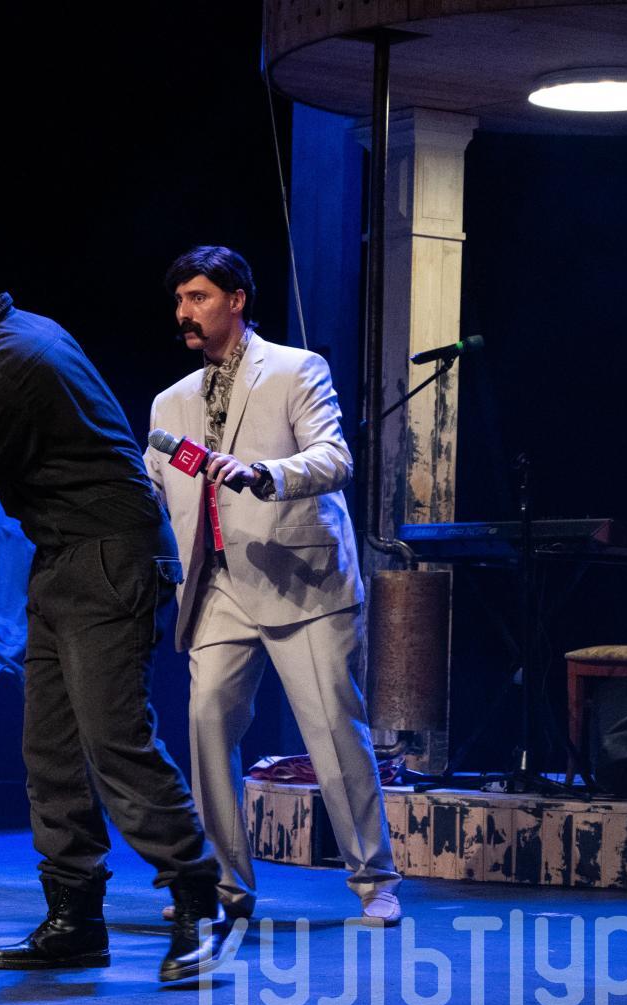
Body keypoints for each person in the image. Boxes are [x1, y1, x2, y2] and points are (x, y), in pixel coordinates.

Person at [0, 238, 225, 983]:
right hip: (63, 556)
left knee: (114, 739)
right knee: (48, 749)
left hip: (109, 556)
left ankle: (199, 901)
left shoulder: (11, 358)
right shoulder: (10, 343)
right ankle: (74, 920)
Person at [145, 245, 400, 926]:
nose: (184, 312)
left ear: (236, 300)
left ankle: (374, 879)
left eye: (198, 297)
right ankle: (223, 887)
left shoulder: (294, 369)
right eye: (179, 300)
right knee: (205, 723)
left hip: (300, 578)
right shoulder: (170, 402)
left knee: (331, 730)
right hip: (217, 585)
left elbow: (334, 457)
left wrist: (266, 474)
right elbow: (147, 486)